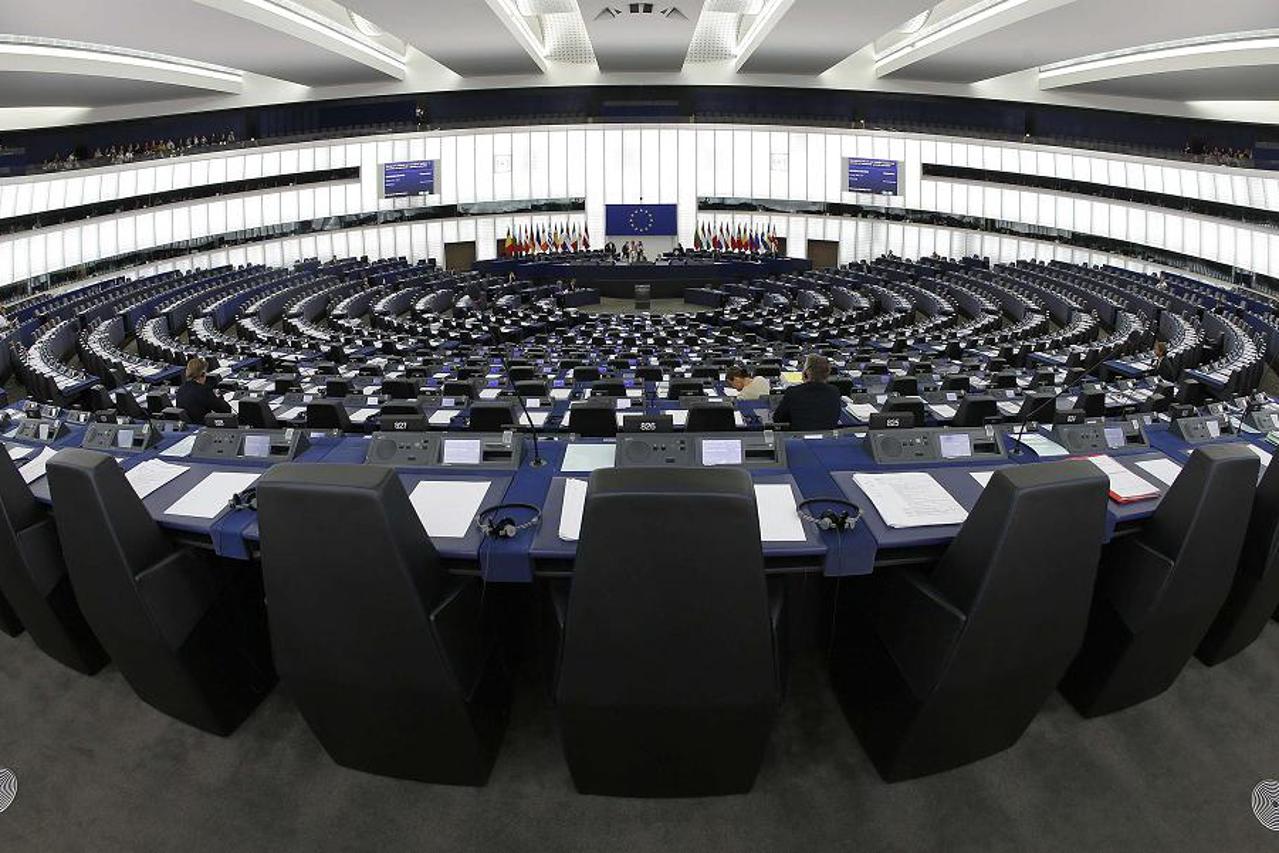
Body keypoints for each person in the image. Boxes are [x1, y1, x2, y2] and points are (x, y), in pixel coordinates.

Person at [771, 355, 842, 430]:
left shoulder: (793, 392)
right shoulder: (834, 392)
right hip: (827, 437)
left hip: (797, 436)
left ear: (806, 373)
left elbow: (778, 419)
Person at [176, 357, 231, 424]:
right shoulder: (204, 391)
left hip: (187, 426)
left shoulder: (181, 388)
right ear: (203, 374)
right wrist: (219, 397)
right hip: (202, 426)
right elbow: (226, 410)